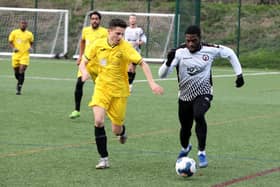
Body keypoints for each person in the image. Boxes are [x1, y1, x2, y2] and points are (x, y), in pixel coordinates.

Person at [79, 18, 164, 169]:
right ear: (109, 31)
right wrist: (84, 73)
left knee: (116, 129)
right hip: (101, 88)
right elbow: (83, 62)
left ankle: (122, 131)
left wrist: (152, 83)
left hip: (119, 92)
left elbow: (143, 63)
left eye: (122, 34)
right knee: (98, 121)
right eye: (118, 33)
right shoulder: (98, 45)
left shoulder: (125, 47)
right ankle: (103, 159)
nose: (120, 37)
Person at [158, 25, 244, 168]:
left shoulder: (209, 49)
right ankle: (186, 148)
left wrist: (239, 74)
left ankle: (201, 152)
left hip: (204, 93)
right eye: (188, 41)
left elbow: (229, 53)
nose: (191, 44)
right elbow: (162, 75)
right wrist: (167, 62)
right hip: (184, 97)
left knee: (199, 115)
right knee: (185, 129)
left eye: (194, 40)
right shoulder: (179, 53)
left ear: (200, 39)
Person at [69, 11, 108, 119]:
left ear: (100, 20)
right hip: (86, 63)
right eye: (92, 19)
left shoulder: (105, 32)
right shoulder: (86, 30)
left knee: (102, 88)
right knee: (79, 83)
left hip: (99, 64)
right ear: (90, 20)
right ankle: (76, 110)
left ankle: (106, 108)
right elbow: (82, 42)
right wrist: (80, 56)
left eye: (96, 19)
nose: (94, 20)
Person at [8, 20, 34, 95]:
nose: (23, 25)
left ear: (27, 25)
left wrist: (30, 48)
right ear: (19, 24)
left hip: (25, 55)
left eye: (25, 23)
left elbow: (31, 42)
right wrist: (13, 48)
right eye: (22, 23)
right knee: (17, 73)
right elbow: (10, 41)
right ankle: (20, 81)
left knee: (22, 70)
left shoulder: (29, 34)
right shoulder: (14, 32)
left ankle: (19, 88)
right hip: (16, 55)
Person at [124, 14, 147, 92]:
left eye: (134, 19)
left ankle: (130, 84)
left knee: (132, 69)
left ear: (136, 20)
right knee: (128, 68)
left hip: (136, 52)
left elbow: (144, 40)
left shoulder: (139, 30)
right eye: (131, 18)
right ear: (129, 20)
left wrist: (137, 43)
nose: (132, 20)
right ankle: (128, 85)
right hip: (127, 52)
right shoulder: (126, 29)